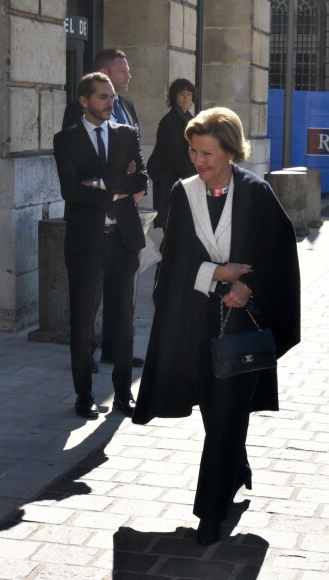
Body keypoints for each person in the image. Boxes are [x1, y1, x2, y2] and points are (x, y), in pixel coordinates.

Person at [132, 107, 300, 545]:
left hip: (245, 321)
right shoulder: (182, 193)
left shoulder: (257, 193)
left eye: (207, 153)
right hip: (197, 319)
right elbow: (174, 262)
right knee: (214, 410)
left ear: (230, 152)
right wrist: (218, 275)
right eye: (193, 151)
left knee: (227, 410)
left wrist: (249, 286)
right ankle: (237, 466)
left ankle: (211, 512)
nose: (198, 161)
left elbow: (280, 256)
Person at [54, 72, 148, 420]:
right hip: (85, 242)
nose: (112, 102)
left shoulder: (126, 134)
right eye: (103, 97)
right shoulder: (66, 140)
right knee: (82, 321)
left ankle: (124, 394)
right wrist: (118, 188)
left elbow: (142, 179)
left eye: (112, 97)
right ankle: (84, 395)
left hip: (123, 240)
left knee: (123, 320)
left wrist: (101, 185)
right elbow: (71, 190)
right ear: (84, 100)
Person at [147, 78, 197, 231]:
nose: (186, 98)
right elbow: (176, 155)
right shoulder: (169, 121)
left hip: (183, 178)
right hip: (170, 179)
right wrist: (196, 177)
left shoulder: (191, 119)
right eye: (182, 94)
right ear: (174, 96)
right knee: (172, 228)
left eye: (189, 94)